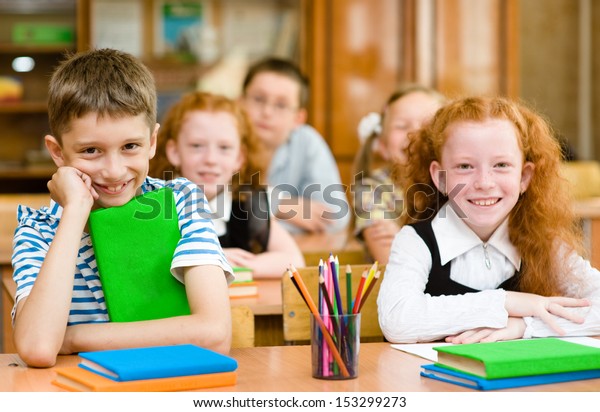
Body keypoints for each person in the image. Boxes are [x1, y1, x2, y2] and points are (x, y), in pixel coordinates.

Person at [11, 49, 233, 368]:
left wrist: (73, 338)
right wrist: (74, 213)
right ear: (57, 152)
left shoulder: (180, 202)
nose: (114, 170)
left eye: (130, 146)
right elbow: (38, 347)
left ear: (152, 142)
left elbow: (213, 333)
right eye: (91, 151)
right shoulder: (39, 230)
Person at [377, 96, 600, 344]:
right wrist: (506, 302)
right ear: (440, 178)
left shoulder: (544, 243)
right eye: (464, 166)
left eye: (501, 165)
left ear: (524, 177)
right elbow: (397, 321)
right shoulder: (415, 241)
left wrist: (524, 325)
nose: (484, 182)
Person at [149, 91, 305, 278]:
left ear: (239, 158)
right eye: (197, 146)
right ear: (174, 152)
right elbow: (148, 265)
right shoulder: (155, 204)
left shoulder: (247, 203)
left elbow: (294, 261)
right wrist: (214, 259)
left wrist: (238, 266)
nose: (211, 159)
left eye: (224, 148)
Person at [240, 57, 349, 234]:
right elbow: (211, 211)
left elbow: (334, 218)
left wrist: (258, 216)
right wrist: (279, 204)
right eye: (258, 99)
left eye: (281, 105)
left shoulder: (307, 142)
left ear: (298, 118)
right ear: (240, 102)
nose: (267, 112)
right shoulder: (221, 138)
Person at [352, 85, 445, 264]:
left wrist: (404, 240)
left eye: (427, 125)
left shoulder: (459, 184)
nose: (414, 134)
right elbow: (392, 261)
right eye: (401, 126)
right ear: (381, 145)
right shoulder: (373, 189)